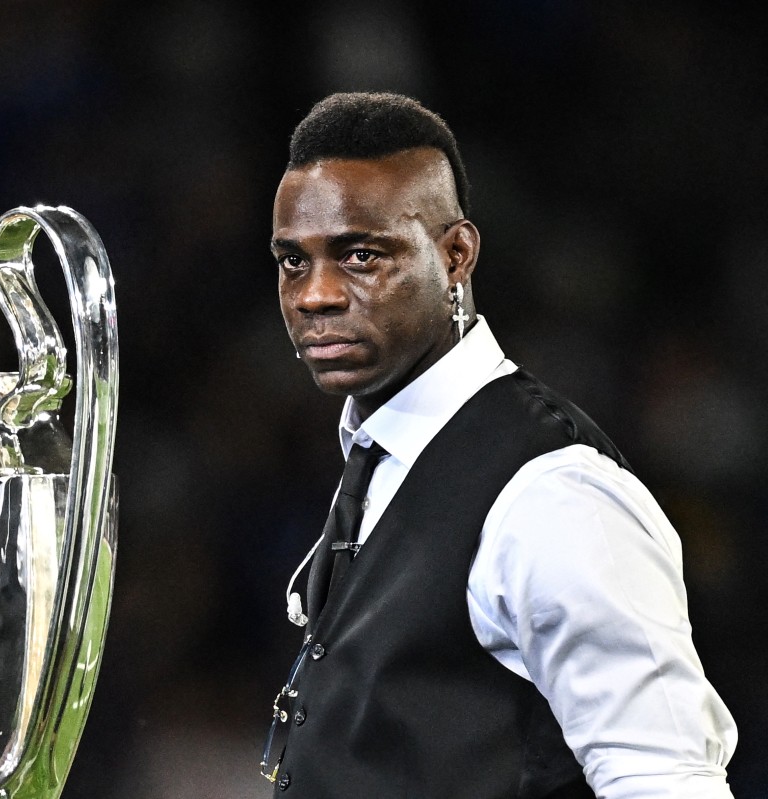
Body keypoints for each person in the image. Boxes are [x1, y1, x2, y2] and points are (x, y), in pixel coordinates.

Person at [262, 92, 737, 798]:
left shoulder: (553, 493)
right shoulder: (381, 453)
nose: (315, 294)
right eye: (293, 262)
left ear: (455, 254)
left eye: (361, 254)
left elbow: (665, 782)